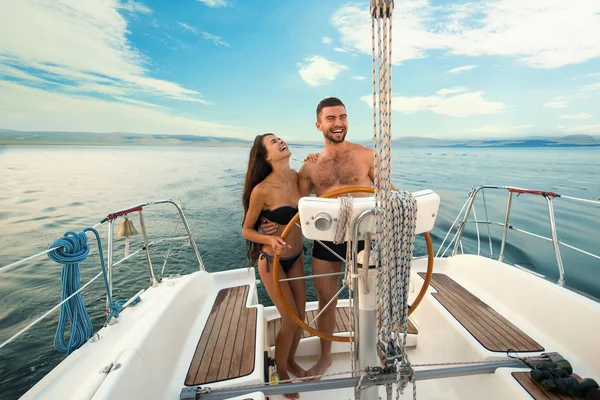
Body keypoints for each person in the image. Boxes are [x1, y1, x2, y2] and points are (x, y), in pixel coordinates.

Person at [262, 97, 391, 378]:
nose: (338, 123)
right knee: (326, 299)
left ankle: (380, 349)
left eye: (342, 117)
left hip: (365, 236)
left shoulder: (367, 155)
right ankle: (325, 358)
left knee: (373, 296)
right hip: (327, 240)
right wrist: (268, 221)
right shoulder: (309, 168)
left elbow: (388, 194)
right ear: (319, 124)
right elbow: (296, 205)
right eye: (331, 118)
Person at [241, 133, 307, 398]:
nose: (281, 141)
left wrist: (314, 159)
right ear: (266, 156)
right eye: (273, 142)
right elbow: (247, 229)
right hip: (272, 261)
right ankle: (280, 371)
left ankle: (291, 361)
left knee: (300, 319)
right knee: (290, 322)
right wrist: (268, 237)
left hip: (297, 257)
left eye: (280, 138)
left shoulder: (297, 177)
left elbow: (315, 196)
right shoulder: (262, 190)